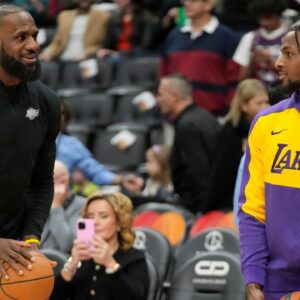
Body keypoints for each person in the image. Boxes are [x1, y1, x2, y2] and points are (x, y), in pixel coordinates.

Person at [238, 25, 300, 299]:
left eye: (288, 54)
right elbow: (253, 209)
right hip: (274, 284)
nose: (278, 63)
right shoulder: (266, 122)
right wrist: (253, 278)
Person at [0, 5, 60, 279]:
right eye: (20, 37)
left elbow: (41, 182)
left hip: (14, 247)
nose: (33, 45)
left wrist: (32, 239)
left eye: (34, 36)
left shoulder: (46, 101)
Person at [50, 191, 149, 300]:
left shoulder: (134, 257)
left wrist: (111, 265)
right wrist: (71, 265)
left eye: (103, 216)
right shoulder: (81, 254)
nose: (95, 222)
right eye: (90, 216)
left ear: (120, 223)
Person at [159, 0, 240, 115]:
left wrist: (227, 110)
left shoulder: (228, 37)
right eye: (186, 0)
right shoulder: (173, 36)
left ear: (208, 5)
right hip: (174, 116)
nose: (187, 4)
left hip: (215, 116)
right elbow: (163, 74)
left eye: (193, 1)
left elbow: (235, 79)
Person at [157, 73, 219, 213]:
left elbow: (198, 172)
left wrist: (201, 211)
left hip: (199, 208)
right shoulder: (206, 117)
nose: (158, 99)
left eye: (161, 94)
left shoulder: (187, 126)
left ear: (174, 96)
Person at [207, 79, 269, 212]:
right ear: (244, 105)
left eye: (266, 102)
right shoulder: (230, 133)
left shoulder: (269, 129)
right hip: (231, 203)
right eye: (259, 103)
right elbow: (221, 174)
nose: (266, 107)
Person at [57, 100, 144, 192]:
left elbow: (95, 171)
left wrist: (121, 180)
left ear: (65, 121)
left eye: (61, 115)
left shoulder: (71, 145)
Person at [233, 0, 289, 88]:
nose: (264, 20)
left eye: (268, 15)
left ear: (278, 13)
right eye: (260, 16)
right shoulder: (250, 38)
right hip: (259, 95)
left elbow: (295, 74)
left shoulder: (292, 36)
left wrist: (271, 61)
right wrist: (252, 61)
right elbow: (242, 81)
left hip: (286, 94)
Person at [41, 161, 86, 253]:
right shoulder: (40, 204)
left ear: (63, 182)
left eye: (44, 182)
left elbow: (68, 245)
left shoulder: (85, 206)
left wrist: (56, 207)